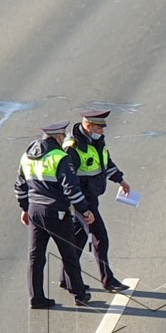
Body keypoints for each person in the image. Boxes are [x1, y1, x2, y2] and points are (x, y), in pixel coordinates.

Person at [15, 120, 94, 308]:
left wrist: (25, 208)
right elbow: (71, 189)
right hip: (56, 212)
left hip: (35, 210)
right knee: (69, 253)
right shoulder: (60, 157)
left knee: (36, 256)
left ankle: (36, 298)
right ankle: (80, 294)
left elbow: (20, 186)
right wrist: (84, 210)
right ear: (58, 137)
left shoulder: (27, 156)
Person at [66, 108, 133, 293]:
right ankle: (108, 280)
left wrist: (120, 180)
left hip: (90, 197)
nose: (102, 131)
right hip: (81, 200)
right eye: (98, 128)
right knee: (100, 239)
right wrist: (81, 207)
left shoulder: (97, 142)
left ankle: (66, 278)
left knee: (78, 239)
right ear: (88, 126)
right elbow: (68, 180)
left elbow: (106, 164)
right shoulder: (73, 147)